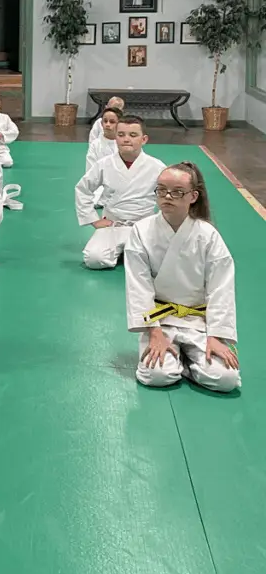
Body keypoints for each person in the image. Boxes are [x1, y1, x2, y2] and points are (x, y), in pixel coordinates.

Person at [124, 162, 240, 393]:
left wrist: (216, 335)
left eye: (177, 191)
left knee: (226, 379)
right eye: (161, 189)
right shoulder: (141, 230)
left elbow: (221, 289)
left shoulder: (207, 236)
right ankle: (177, 361)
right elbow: (139, 287)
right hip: (160, 318)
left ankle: (187, 363)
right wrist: (154, 333)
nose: (167, 196)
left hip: (199, 320)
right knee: (156, 375)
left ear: (193, 196)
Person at [75, 115, 165, 269]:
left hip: (144, 225)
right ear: (115, 138)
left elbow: (169, 198)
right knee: (94, 259)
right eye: (121, 135)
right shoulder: (104, 164)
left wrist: (163, 223)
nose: (126, 139)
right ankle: (124, 250)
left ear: (144, 139)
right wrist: (93, 219)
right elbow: (83, 189)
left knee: (160, 264)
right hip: (113, 224)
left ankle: (128, 250)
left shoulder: (157, 167)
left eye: (133, 135)